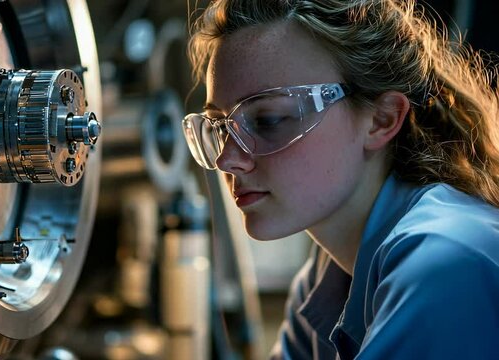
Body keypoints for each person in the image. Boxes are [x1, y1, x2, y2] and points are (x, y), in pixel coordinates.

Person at [181, 0, 499, 359]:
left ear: (381, 119)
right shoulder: (331, 275)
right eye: (221, 128)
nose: (227, 160)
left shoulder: (446, 263)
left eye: (268, 120)